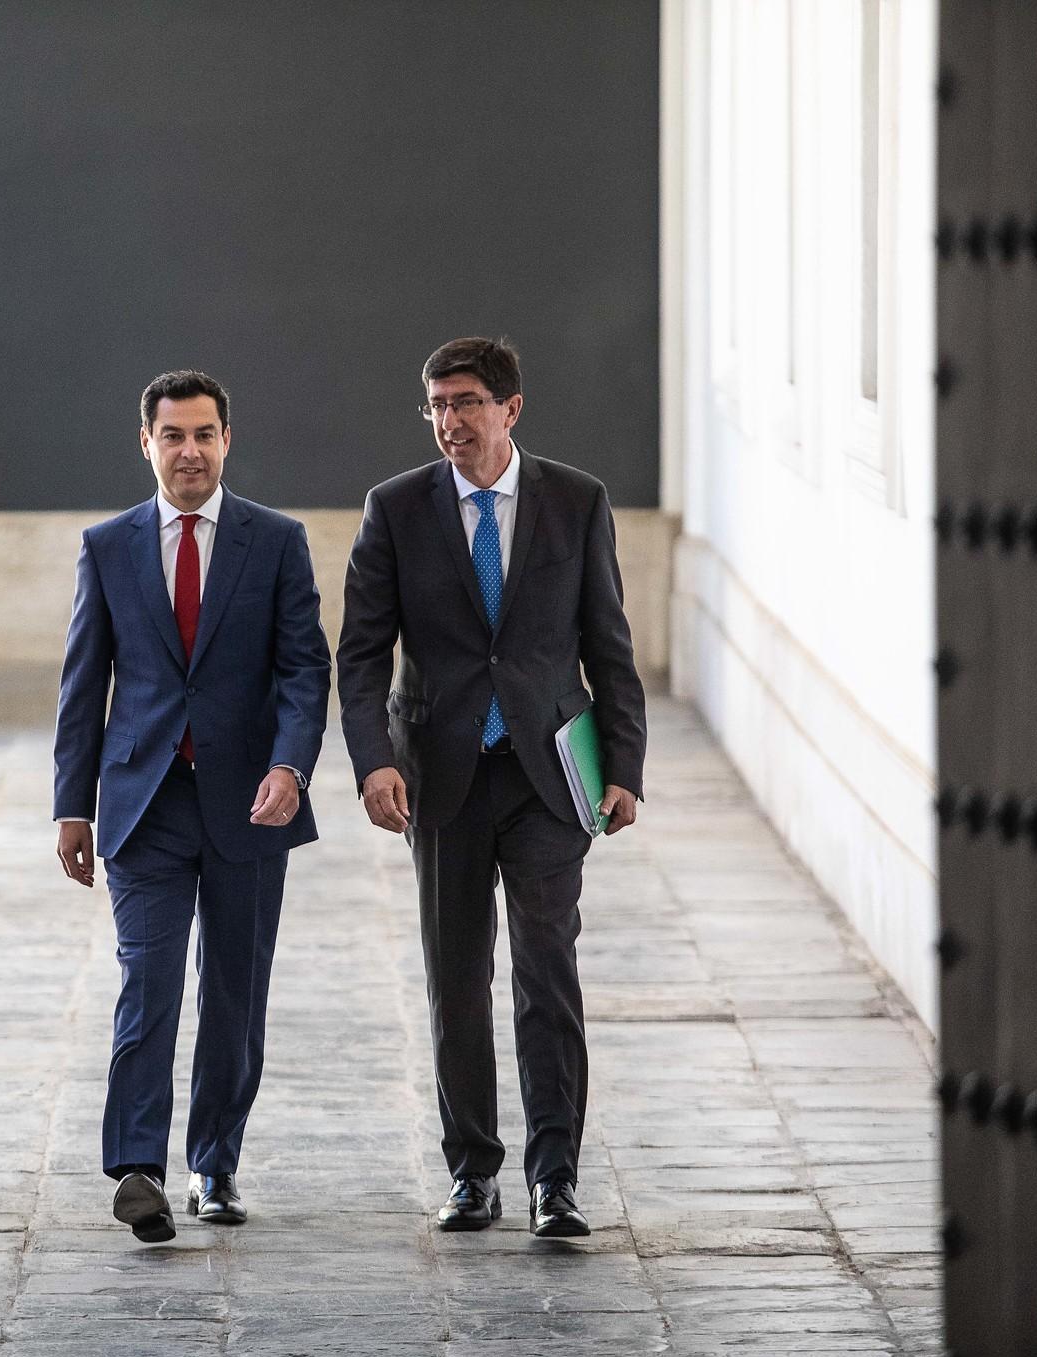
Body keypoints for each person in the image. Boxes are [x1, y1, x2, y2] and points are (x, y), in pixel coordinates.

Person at [337, 336, 647, 1239]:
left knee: (548, 976)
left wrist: (623, 769)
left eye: (467, 402)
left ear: (512, 409)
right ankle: (473, 1171)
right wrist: (373, 760)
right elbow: (359, 656)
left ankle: (558, 1178)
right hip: (442, 780)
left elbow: (609, 645)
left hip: (549, 778)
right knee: (456, 978)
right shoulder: (395, 510)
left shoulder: (577, 501)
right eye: (437, 404)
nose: (450, 421)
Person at [53, 370, 330, 1241]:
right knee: (150, 984)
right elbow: (81, 684)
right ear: (147, 444)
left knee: (235, 992)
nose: (191, 451)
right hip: (144, 803)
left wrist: (291, 767)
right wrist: (73, 806)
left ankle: (214, 1159)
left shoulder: (276, 542)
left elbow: (302, 669)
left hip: (251, 803)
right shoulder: (107, 547)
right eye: (173, 436)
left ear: (227, 439)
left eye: (205, 434)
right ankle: (139, 1165)